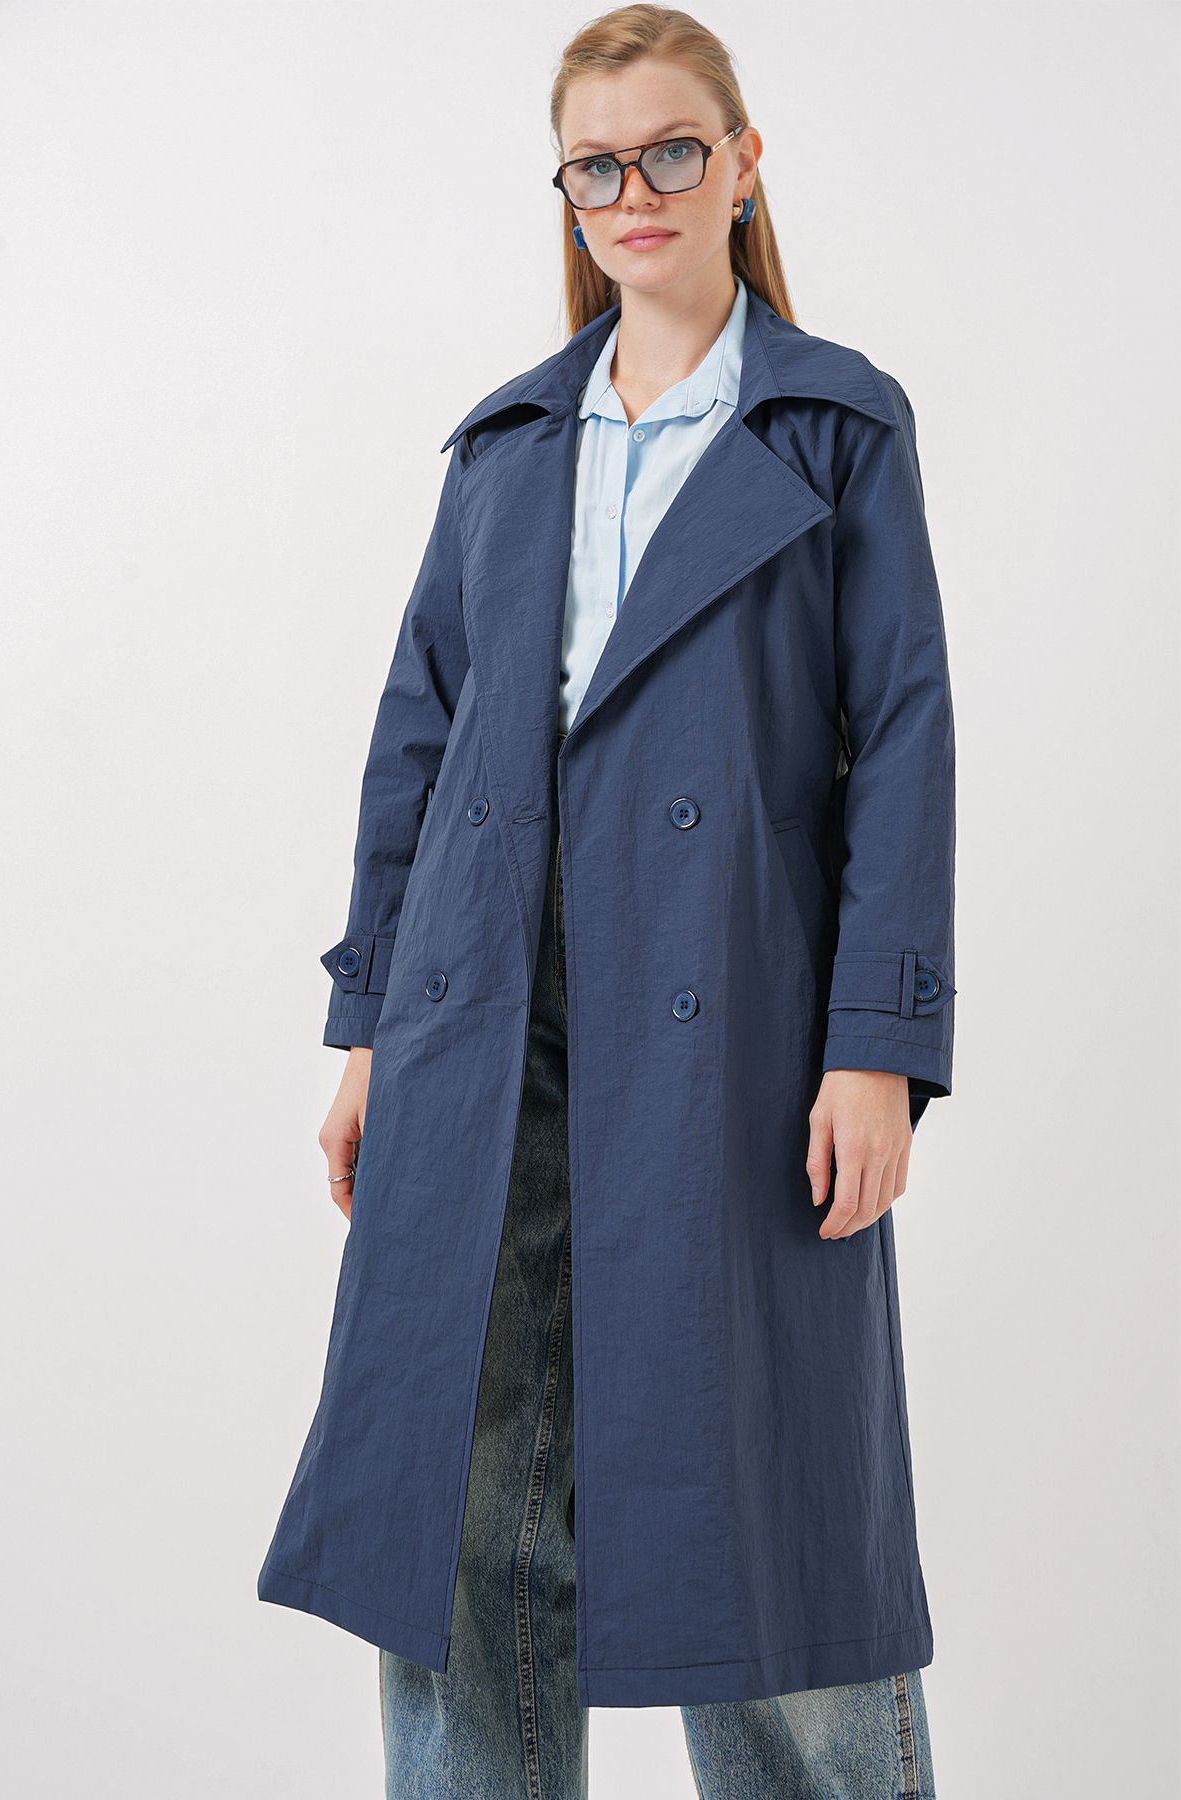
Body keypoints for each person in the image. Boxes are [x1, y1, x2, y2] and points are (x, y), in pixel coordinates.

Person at [258, 6, 955, 1795]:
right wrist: (367, 1029)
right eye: (594, 165)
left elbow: (902, 740)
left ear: (741, 164)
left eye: (670, 151)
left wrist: (876, 1047)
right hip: (479, 1021)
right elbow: (418, 741)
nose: (633, 191)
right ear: (564, 189)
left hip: (735, 1022)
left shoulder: (835, 428)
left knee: (767, 1528)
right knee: (462, 1511)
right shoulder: (506, 446)